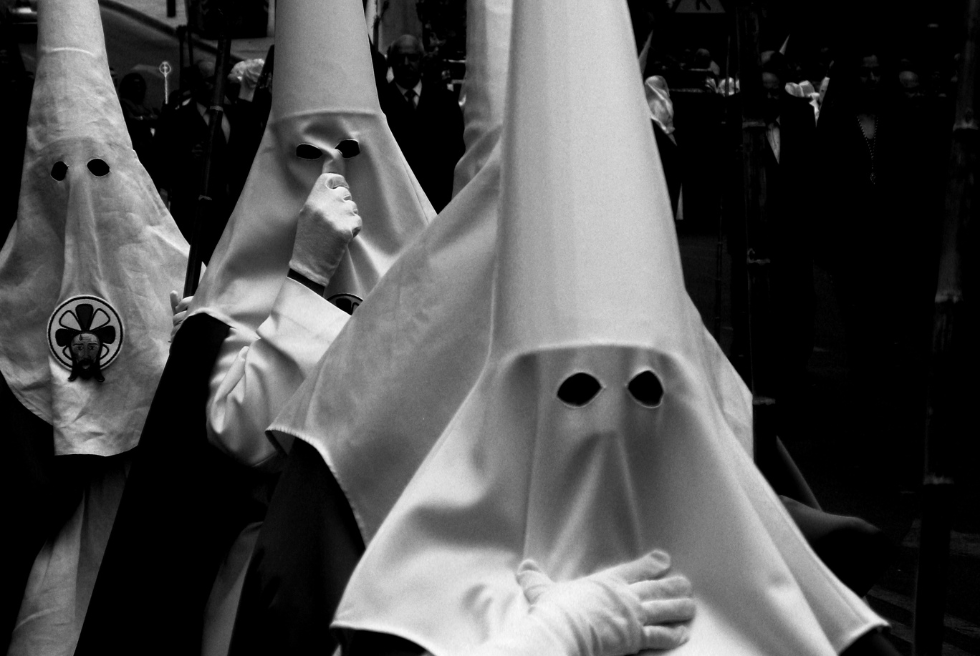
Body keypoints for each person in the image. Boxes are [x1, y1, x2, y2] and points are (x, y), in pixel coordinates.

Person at [0, 0, 187, 652]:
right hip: (44, 544)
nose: (79, 191)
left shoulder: (171, 266)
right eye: (57, 174)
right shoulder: (11, 284)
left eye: (101, 170)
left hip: (141, 518)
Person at [380, 34, 464, 211]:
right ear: (391, 62)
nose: (406, 63)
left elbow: (457, 153)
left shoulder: (445, 102)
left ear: (422, 61)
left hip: (439, 201)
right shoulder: (379, 105)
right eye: (400, 58)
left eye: (412, 57)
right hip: (395, 202)